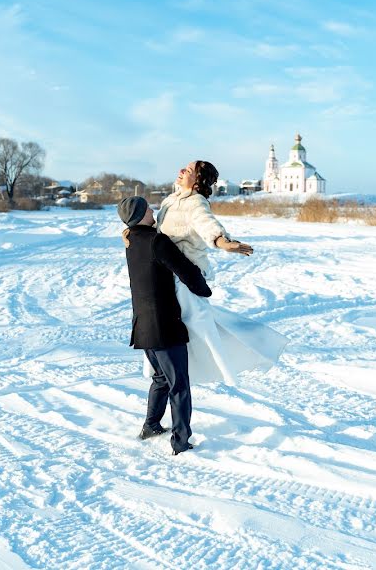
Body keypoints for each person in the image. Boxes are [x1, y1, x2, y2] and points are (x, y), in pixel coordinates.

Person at [155, 160, 287, 386]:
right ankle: (166, 374)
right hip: (166, 273)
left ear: (197, 182)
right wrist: (133, 231)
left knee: (201, 327)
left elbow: (206, 223)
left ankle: (244, 355)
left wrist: (221, 241)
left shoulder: (196, 202)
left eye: (187, 171)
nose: (180, 171)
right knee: (176, 329)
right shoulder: (170, 200)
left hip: (185, 276)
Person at [118, 196, 212, 455]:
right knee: (179, 384)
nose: (153, 210)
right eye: (148, 208)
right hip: (164, 326)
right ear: (139, 216)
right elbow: (185, 270)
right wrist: (204, 290)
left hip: (143, 326)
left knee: (161, 379)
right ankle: (181, 441)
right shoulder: (156, 241)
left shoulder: (131, 241)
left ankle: (151, 425)